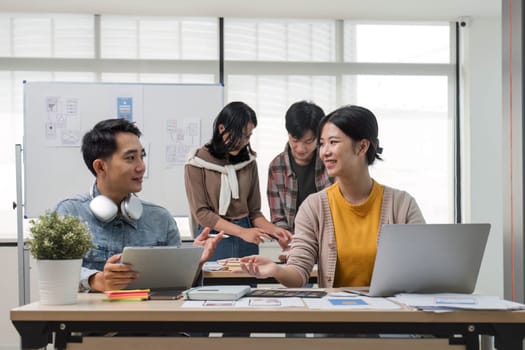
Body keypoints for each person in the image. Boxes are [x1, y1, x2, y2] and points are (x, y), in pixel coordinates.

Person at [239, 105, 425, 288]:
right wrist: (275, 270)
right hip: (336, 314)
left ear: (362, 147)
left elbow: (425, 266)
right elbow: (298, 271)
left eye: (333, 142)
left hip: (392, 316)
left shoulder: (402, 205)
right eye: (322, 143)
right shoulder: (314, 207)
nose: (324, 152)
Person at [55, 118, 223, 292]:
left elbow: (176, 286)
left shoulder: (161, 219)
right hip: (92, 318)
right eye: (130, 158)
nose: (141, 167)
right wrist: (97, 280)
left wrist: (194, 264)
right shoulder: (70, 213)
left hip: (149, 317)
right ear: (100, 167)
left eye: (141, 156)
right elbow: (55, 272)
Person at [185, 101, 292, 261]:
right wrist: (242, 232)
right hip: (213, 238)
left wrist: (274, 230)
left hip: (247, 238)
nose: (244, 142)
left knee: (247, 285)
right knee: (214, 285)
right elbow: (202, 214)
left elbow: (254, 212)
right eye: (240, 135)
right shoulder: (196, 162)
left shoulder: (249, 162)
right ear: (222, 129)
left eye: (248, 136)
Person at [267, 101, 333, 261]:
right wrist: (284, 238)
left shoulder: (331, 162)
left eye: (308, 141)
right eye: (295, 140)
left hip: (331, 244)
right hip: (297, 248)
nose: (300, 148)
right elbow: (278, 218)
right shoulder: (277, 166)